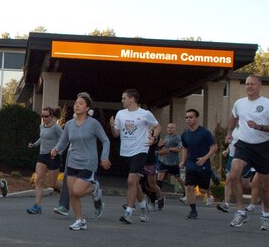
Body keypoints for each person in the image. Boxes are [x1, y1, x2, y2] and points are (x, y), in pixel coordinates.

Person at [226, 75, 269, 231]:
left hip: (262, 146)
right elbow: (233, 116)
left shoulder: (267, 104)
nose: (249, 87)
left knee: (264, 185)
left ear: (259, 86)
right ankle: (241, 210)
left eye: (252, 84)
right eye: (247, 84)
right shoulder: (239, 103)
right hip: (243, 145)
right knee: (233, 175)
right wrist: (230, 132)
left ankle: (266, 215)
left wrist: (260, 127)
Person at [50, 93, 111, 230]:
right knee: (72, 193)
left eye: (81, 103)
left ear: (87, 107)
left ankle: (95, 189)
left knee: (77, 192)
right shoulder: (69, 124)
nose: (77, 105)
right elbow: (63, 142)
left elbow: (105, 140)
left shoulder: (93, 124)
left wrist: (104, 157)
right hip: (72, 162)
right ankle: (80, 220)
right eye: (76, 103)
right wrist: (56, 149)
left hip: (88, 163)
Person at [110, 89, 160, 224]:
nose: (122, 100)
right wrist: (111, 127)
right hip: (126, 151)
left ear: (132, 99)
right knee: (135, 182)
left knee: (131, 180)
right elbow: (116, 134)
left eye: (124, 98)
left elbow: (158, 126)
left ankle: (129, 212)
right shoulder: (120, 113)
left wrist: (153, 138)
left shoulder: (145, 114)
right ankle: (143, 205)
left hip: (141, 150)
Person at [179, 109, 218, 220]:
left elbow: (214, 147)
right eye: (186, 117)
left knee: (202, 191)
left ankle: (210, 176)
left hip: (203, 164)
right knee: (190, 187)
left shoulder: (204, 133)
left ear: (196, 118)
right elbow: (185, 148)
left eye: (191, 117)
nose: (188, 119)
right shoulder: (185, 134)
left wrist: (205, 158)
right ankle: (193, 211)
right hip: (191, 163)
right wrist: (183, 161)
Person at [27, 107, 63, 214]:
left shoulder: (56, 127)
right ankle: (37, 206)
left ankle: (67, 188)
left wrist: (57, 150)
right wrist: (34, 144)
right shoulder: (42, 126)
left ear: (51, 116)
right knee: (39, 179)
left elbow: (64, 139)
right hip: (42, 155)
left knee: (52, 184)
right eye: (42, 116)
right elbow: (41, 138)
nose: (43, 118)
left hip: (53, 156)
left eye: (46, 116)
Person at [157, 122, 185, 202]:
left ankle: (185, 190)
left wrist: (169, 149)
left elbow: (180, 148)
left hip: (173, 162)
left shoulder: (177, 138)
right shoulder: (166, 137)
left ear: (174, 129)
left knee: (177, 178)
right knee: (160, 177)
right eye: (168, 127)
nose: (169, 129)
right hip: (164, 161)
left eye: (171, 128)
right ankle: (159, 194)